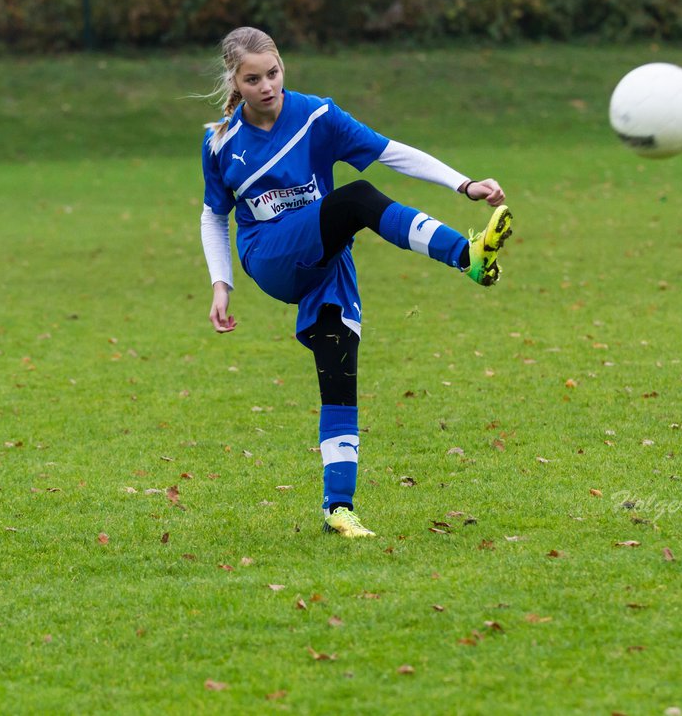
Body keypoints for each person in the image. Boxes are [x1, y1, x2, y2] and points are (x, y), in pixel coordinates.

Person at [198, 26, 512, 538]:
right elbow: (214, 216)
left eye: (273, 73)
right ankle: (466, 256)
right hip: (271, 255)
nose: (267, 87)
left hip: (327, 259)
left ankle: (338, 508)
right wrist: (221, 283)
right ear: (235, 80)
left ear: (283, 68)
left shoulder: (317, 116)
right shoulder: (220, 141)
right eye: (252, 79)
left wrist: (464, 183)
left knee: (339, 375)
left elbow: (391, 150)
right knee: (358, 199)